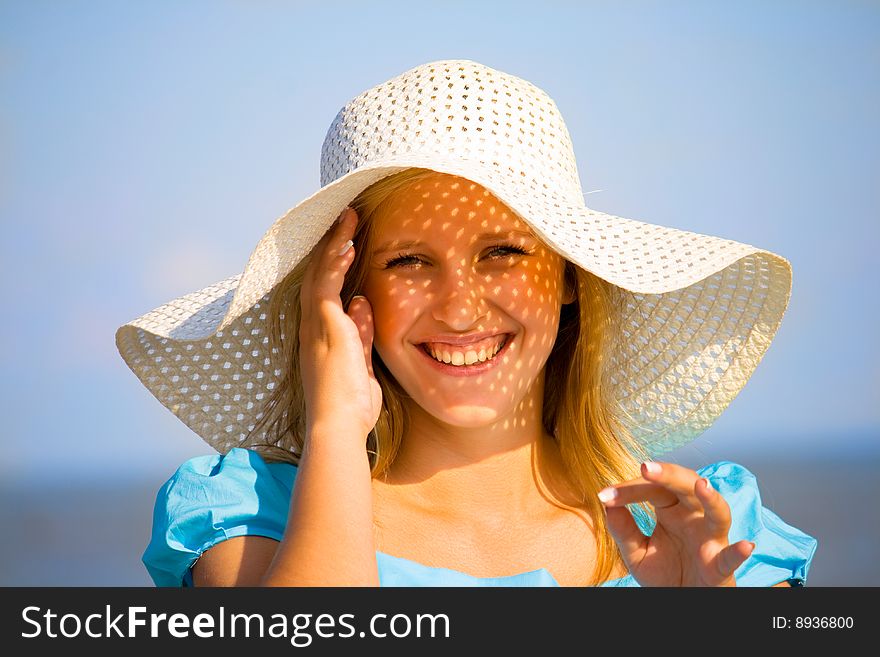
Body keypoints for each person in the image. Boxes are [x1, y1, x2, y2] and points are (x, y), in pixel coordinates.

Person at [117, 59, 817, 587]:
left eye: (503, 252)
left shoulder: (712, 533)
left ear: (571, 275)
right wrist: (334, 422)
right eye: (409, 262)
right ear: (346, 290)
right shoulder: (250, 521)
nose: (458, 306)